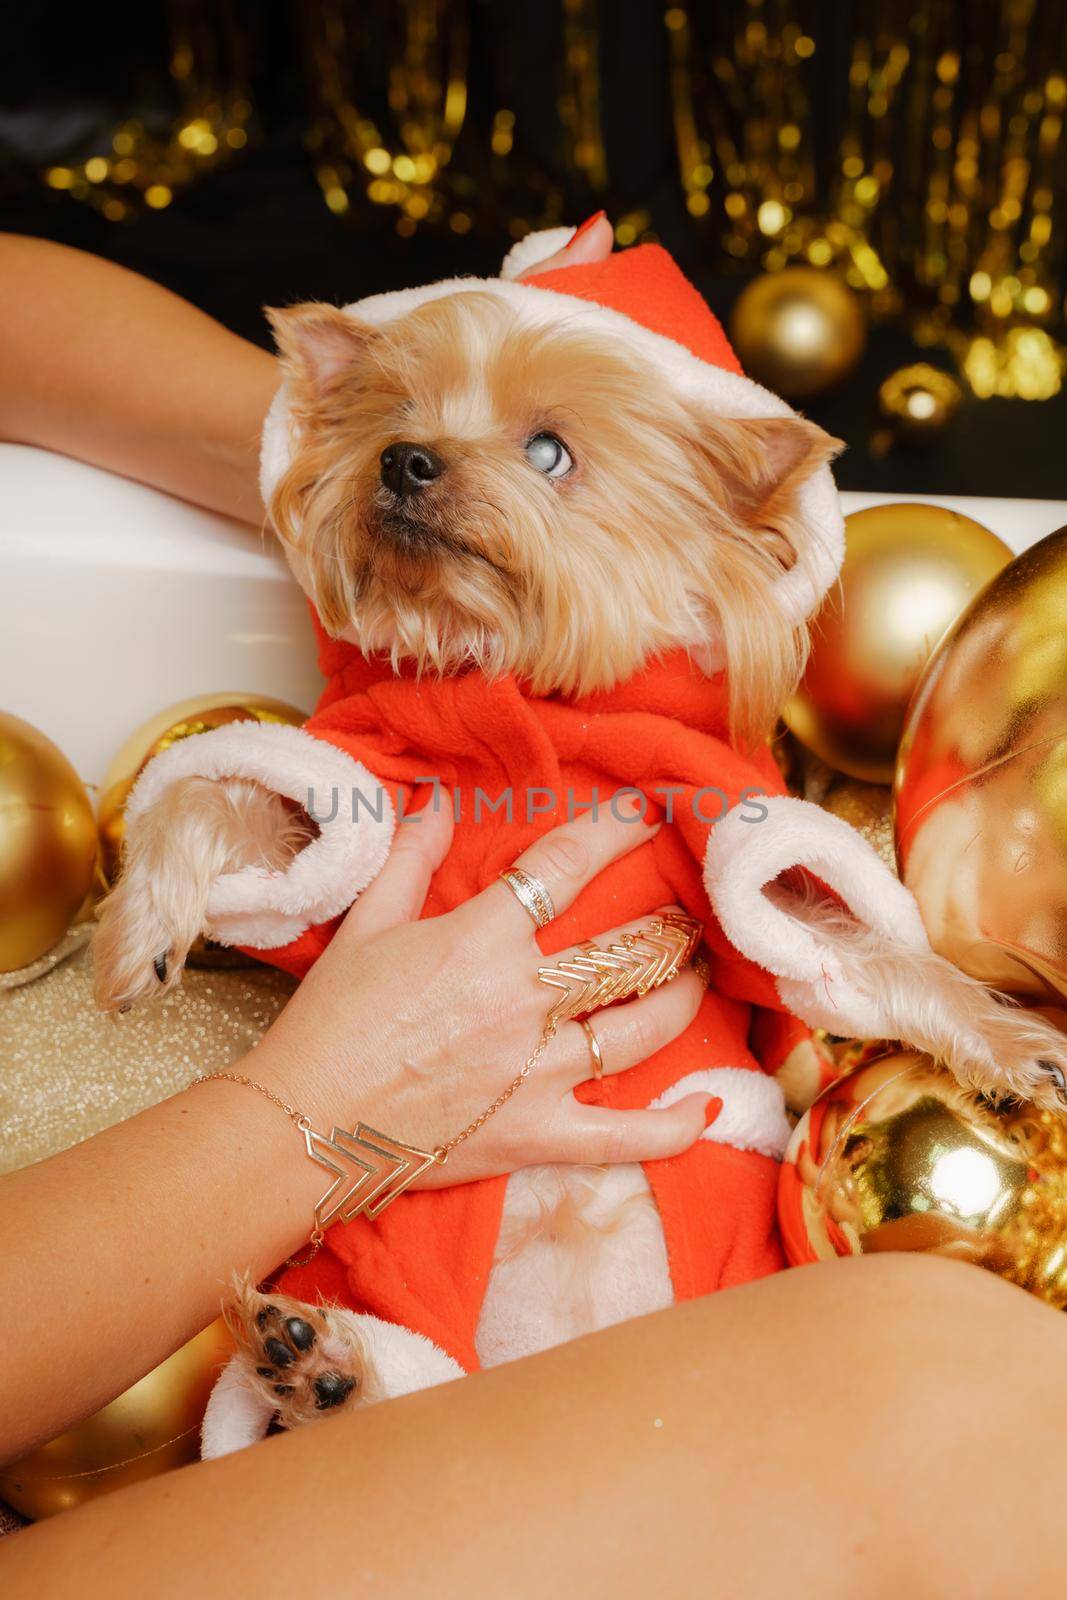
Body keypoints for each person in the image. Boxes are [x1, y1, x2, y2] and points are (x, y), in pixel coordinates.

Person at [1, 225, 1065, 1597]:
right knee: (968, 1407)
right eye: (406, 431)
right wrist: (317, 1109)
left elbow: (811, 917)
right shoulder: (393, 751)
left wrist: (366, 438)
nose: (423, 454)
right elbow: (277, 826)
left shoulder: (684, 763)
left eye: (550, 451)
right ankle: (375, 1380)